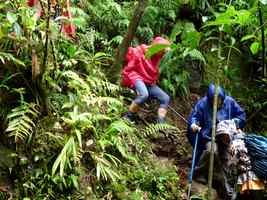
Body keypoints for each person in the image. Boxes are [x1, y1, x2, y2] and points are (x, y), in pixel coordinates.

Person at [187, 83, 246, 168]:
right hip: (209, 136)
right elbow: (195, 117)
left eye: (219, 100)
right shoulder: (203, 104)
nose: (217, 102)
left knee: (227, 156)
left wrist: (235, 123)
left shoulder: (229, 102)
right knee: (212, 151)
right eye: (214, 100)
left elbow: (241, 115)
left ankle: (221, 177)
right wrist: (193, 124)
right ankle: (200, 173)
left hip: (226, 137)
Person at [121, 37, 171, 123]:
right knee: (144, 95)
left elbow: (154, 73)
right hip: (136, 77)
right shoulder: (141, 51)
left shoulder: (158, 58)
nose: (162, 53)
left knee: (165, 98)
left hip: (148, 82)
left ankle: (160, 122)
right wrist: (125, 77)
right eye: (161, 50)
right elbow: (130, 61)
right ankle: (128, 116)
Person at [216, 120, 265, 200]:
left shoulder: (235, 144)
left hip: (248, 178)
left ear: (230, 131)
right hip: (252, 178)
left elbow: (237, 161)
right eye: (221, 136)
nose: (223, 139)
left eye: (225, 135)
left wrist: (231, 161)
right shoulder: (242, 137)